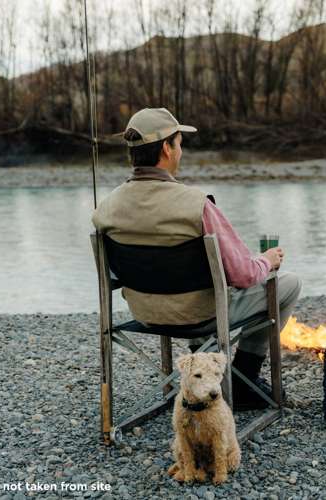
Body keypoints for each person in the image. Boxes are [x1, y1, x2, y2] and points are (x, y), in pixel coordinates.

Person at [92, 108, 302, 410]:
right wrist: (267, 260)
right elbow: (242, 275)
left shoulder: (107, 207)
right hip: (200, 316)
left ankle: (208, 373)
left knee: (200, 286)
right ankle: (244, 380)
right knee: (289, 284)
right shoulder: (197, 204)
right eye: (179, 143)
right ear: (166, 148)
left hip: (145, 312)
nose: (181, 151)